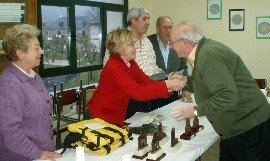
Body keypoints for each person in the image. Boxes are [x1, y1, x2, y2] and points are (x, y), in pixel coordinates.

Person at [170, 21, 270, 161]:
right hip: (237, 128)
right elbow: (206, 81)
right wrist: (185, 81)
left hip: (248, 128)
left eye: (172, 42)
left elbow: (227, 96)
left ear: (185, 42)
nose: (171, 46)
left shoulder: (209, 55)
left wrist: (193, 111)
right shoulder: (203, 51)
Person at [87, 28, 186, 126]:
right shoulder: (113, 66)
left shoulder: (130, 62)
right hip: (101, 118)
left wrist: (169, 87)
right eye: (131, 44)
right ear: (119, 48)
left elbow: (146, 82)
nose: (136, 47)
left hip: (115, 116)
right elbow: (138, 92)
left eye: (135, 43)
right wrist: (167, 84)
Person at [0, 24, 61, 161]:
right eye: (36, 48)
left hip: (42, 153)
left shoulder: (33, 75)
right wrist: (39, 154)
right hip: (23, 156)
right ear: (19, 53)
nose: (42, 51)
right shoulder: (9, 83)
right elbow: (11, 132)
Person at [148, 16, 192, 107]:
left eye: (170, 27)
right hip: (153, 95)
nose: (168, 30)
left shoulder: (178, 43)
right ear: (157, 28)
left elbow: (184, 68)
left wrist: (185, 89)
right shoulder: (148, 43)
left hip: (173, 94)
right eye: (164, 27)